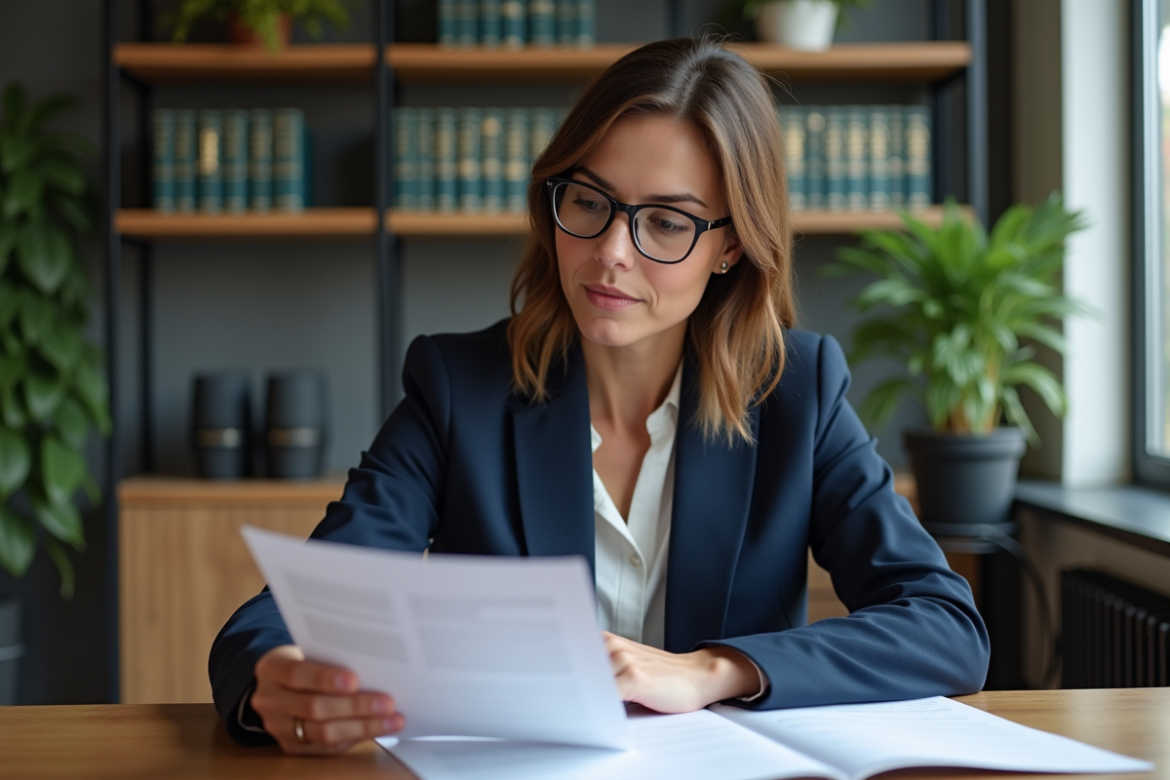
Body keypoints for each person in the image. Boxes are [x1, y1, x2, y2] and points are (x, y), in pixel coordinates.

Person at [209, 37, 990, 755]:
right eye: (588, 202)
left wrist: (712, 670)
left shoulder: (797, 394)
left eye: (667, 222)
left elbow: (945, 627)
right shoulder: (459, 388)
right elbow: (286, 612)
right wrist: (274, 675)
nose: (611, 254)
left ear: (730, 247)